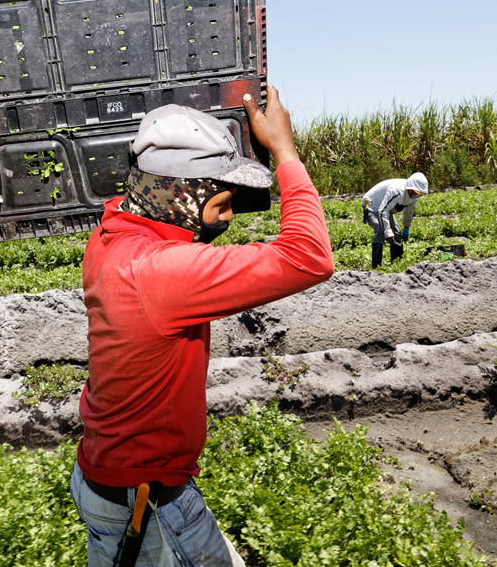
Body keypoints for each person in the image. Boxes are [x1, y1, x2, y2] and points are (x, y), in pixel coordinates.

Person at [70, 84, 335, 567]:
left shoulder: (112, 234)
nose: (230, 214)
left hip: (112, 476)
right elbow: (309, 257)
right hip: (145, 498)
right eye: (222, 199)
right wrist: (285, 152)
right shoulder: (160, 271)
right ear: (180, 195)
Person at [362, 172, 429, 268]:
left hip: (384, 208)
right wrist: (387, 232)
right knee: (381, 231)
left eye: (420, 193)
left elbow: (409, 211)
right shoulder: (396, 191)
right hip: (372, 205)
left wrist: (406, 226)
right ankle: (376, 266)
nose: (416, 195)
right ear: (409, 187)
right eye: (415, 192)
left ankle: (396, 264)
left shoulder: (415, 196)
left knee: (396, 233)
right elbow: (383, 210)